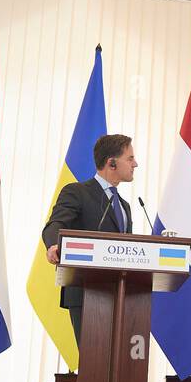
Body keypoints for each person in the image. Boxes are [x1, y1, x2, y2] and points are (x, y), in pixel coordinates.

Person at [41, 133, 137, 341]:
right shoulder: (77, 192)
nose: (135, 164)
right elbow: (55, 225)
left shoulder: (125, 206)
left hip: (121, 297)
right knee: (94, 368)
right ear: (111, 162)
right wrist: (53, 246)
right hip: (86, 294)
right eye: (130, 158)